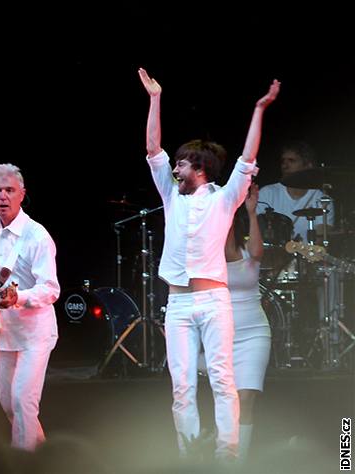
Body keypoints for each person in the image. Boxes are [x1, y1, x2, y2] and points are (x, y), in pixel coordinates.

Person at [138, 67, 280, 461]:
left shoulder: (223, 198)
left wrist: (259, 109)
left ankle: (226, 457)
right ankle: (189, 458)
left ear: (198, 168)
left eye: (181, 163)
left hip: (214, 301)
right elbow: (153, 150)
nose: (174, 167)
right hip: (179, 303)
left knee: (222, 380)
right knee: (181, 385)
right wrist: (155, 99)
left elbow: (247, 157)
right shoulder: (171, 196)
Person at [0, 163, 60, 451]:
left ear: (22, 194)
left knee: (22, 402)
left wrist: (19, 298)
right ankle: (42, 455)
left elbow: (51, 288)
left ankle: (23, 464)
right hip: (1, 331)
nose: (2, 196)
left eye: (9, 190)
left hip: (34, 333)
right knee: (8, 404)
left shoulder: (37, 235)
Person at [223, 184, 271, 463]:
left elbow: (258, 251)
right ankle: (223, 452)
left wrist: (252, 212)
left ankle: (238, 463)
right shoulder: (211, 254)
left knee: (246, 398)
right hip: (221, 332)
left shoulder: (247, 250)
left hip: (254, 333)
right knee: (228, 400)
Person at [256, 141, 335, 242]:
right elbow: (257, 233)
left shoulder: (322, 200)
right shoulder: (267, 193)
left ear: (308, 166)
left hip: (308, 256)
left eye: (291, 161)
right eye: (283, 161)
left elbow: (321, 241)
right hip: (272, 256)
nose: (285, 165)